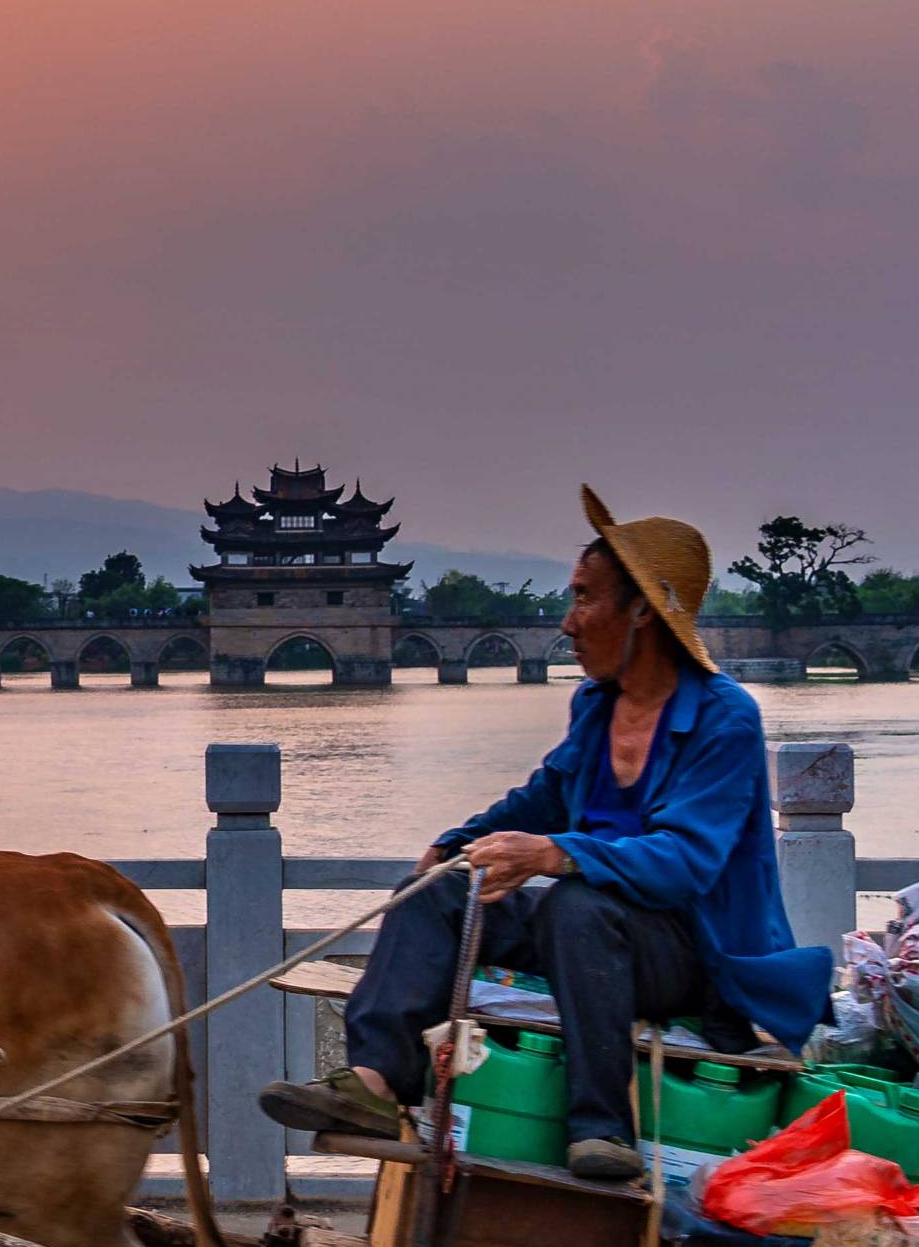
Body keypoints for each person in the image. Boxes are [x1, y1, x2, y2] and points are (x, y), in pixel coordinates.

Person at [260, 489, 831, 1184]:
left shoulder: (724, 718)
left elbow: (684, 862)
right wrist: (456, 843)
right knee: (433, 895)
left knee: (575, 904)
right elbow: (544, 796)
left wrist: (555, 854)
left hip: (692, 949)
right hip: (592, 934)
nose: (567, 622)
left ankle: (600, 1126)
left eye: (586, 598)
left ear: (643, 611)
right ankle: (377, 1083)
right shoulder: (594, 706)